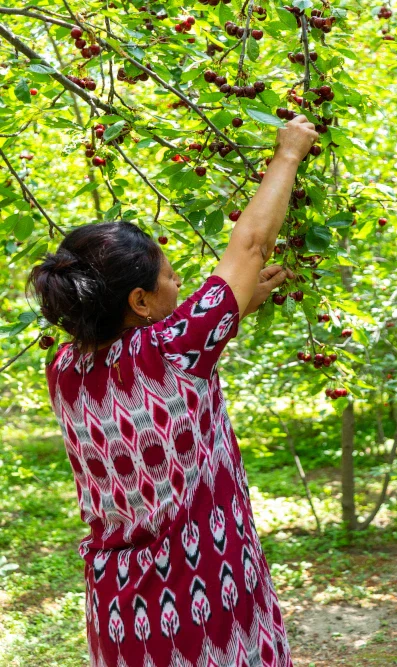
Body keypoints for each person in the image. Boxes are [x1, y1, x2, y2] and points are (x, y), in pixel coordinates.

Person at [27, 115, 318, 667]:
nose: (182, 285)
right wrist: (288, 153)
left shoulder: (64, 367)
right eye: (171, 278)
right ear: (139, 303)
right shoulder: (174, 349)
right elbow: (252, 244)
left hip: (119, 611)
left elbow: (159, 360)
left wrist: (232, 309)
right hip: (205, 598)